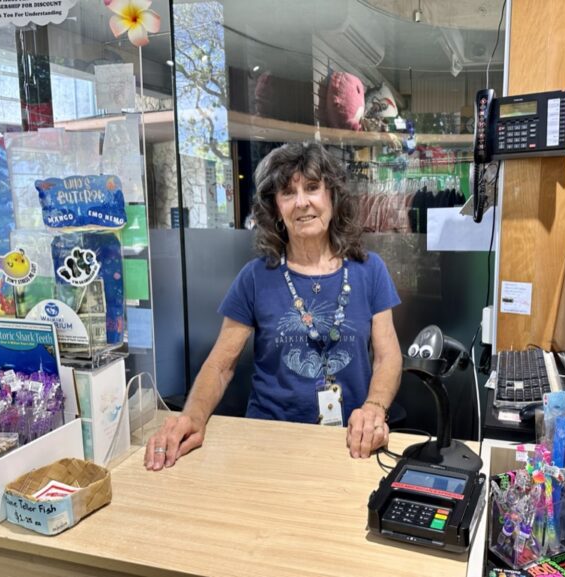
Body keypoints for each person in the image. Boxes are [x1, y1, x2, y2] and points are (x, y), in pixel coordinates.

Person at [145, 143, 402, 471]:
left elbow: (388, 356)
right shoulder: (255, 277)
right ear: (275, 208)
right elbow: (220, 365)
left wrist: (373, 409)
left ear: (333, 197)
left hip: (351, 442)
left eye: (312, 188)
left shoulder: (370, 270)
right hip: (268, 441)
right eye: (287, 192)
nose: (302, 202)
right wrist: (192, 417)